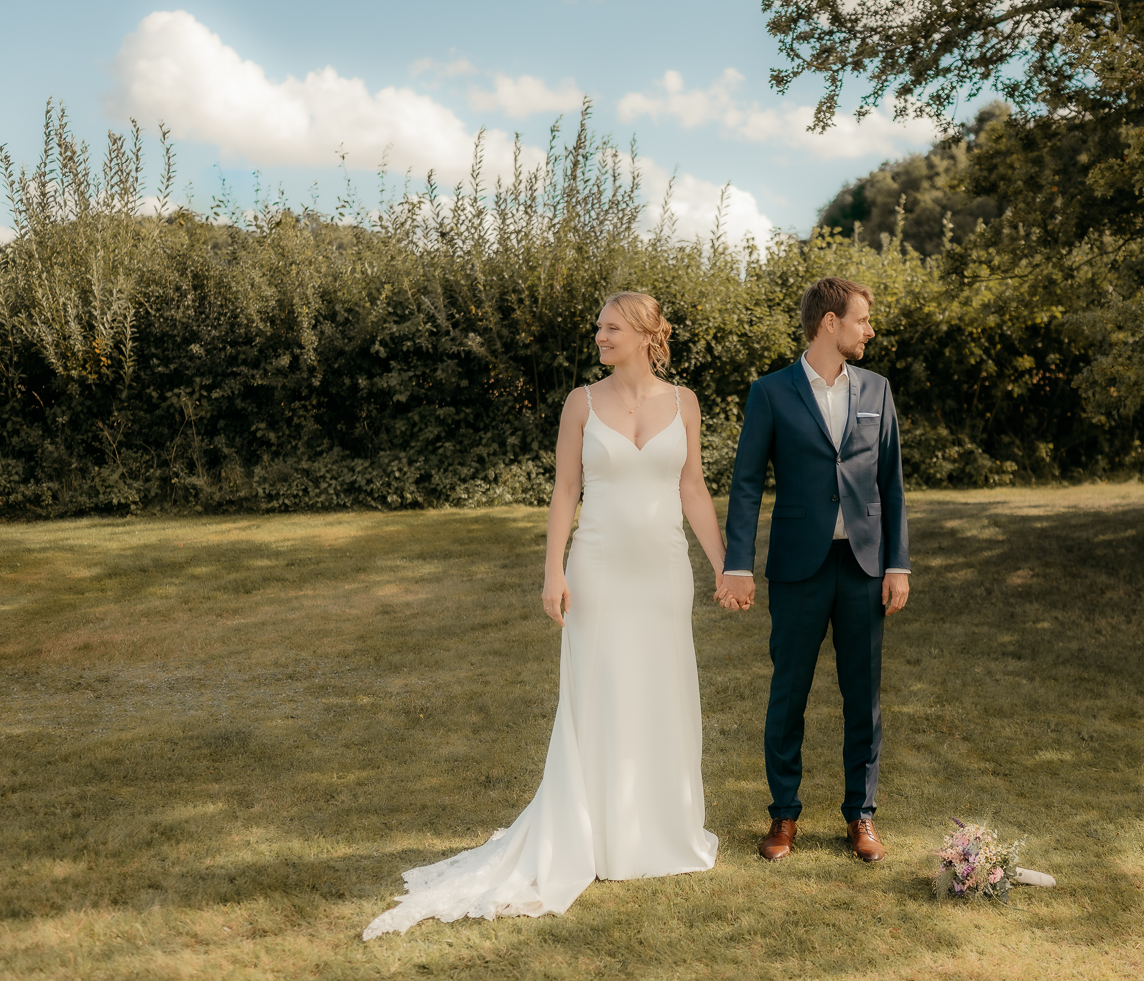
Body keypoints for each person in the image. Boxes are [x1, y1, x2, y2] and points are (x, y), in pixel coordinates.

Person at [364, 292, 726, 938]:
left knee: (662, 691)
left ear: (646, 334)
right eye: (598, 328)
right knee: (599, 694)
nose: (599, 337)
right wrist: (553, 571)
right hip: (598, 569)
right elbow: (565, 490)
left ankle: (659, 830)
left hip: (664, 573)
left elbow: (692, 486)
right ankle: (595, 834)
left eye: (610, 328)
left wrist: (726, 566)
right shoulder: (581, 403)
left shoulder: (685, 402)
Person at [719, 276, 911, 864]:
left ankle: (861, 815)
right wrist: (737, 564)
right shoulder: (770, 392)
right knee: (789, 693)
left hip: (864, 564)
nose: (869, 330)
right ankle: (783, 814)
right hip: (797, 567)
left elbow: (891, 482)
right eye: (861, 320)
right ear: (830, 322)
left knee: (864, 696)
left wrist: (898, 563)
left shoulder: (877, 389)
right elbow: (746, 484)